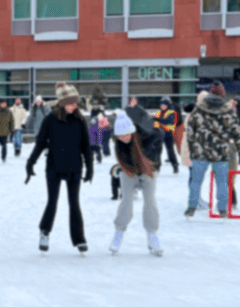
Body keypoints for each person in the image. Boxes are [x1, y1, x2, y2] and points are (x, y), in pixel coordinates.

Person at [25, 82, 93, 254]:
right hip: (54, 167)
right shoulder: (50, 120)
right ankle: (44, 232)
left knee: (74, 203)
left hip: (75, 167)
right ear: (62, 104)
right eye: (70, 103)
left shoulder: (79, 120)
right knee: (52, 202)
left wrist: (90, 168)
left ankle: (79, 239)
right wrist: (30, 162)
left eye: (76, 103)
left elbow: (86, 146)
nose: (74, 106)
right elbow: (40, 144)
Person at [183, 81, 240, 218]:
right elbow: (236, 132)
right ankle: (222, 209)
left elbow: (190, 130)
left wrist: (192, 148)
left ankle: (192, 207)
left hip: (200, 151)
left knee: (196, 181)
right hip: (221, 152)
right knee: (222, 182)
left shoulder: (198, 110)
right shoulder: (228, 111)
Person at [108, 111, 163, 256]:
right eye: (120, 136)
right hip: (129, 172)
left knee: (150, 201)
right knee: (126, 200)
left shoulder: (146, 136)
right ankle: (119, 232)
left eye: (126, 135)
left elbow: (159, 135)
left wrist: (154, 158)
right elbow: (122, 159)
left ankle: (152, 235)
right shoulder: (119, 144)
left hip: (147, 170)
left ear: (132, 131)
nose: (124, 138)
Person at [153, 97, 180, 174]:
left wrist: (157, 120)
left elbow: (169, 121)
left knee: (170, 151)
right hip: (159, 135)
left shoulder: (171, 112)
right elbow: (154, 123)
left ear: (167, 105)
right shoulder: (158, 113)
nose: (162, 106)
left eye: (164, 105)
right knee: (157, 151)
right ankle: (157, 166)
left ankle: (175, 165)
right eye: (161, 105)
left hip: (168, 135)